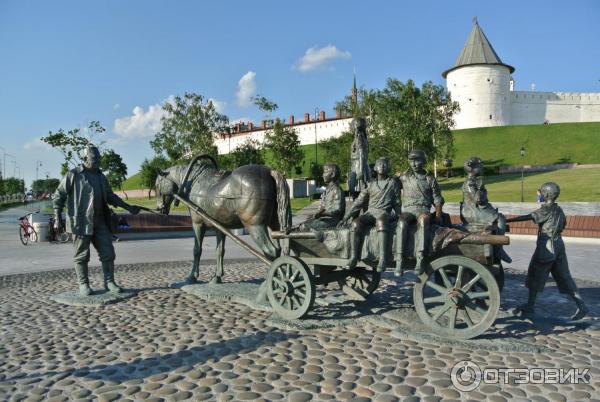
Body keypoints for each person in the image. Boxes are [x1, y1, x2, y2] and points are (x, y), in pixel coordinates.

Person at [53, 144, 141, 296]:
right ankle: (83, 284)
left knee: (108, 252)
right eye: (94, 158)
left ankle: (109, 282)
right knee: (82, 255)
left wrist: (128, 206)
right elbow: (58, 195)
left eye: (99, 158)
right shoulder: (73, 175)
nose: (98, 160)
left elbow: (110, 196)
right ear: (85, 158)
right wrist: (57, 217)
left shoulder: (101, 176)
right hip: (80, 222)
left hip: (100, 221)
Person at [507, 182, 588, 321]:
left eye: (542, 192)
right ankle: (582, 306)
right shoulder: (559, 209)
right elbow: (563, 225)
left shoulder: (546, 209)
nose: (540, 194)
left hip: (547, 245)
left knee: (535, 274)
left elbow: (529, 216)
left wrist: (508, 219)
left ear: (547, 194)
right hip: (558, 245)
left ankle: (530, 306)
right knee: (565, 276)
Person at [340, 157, 401, 272]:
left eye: (385, 164)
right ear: (375, 168)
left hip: (385, 212)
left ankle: (383, 259)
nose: (382, 166)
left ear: (388, 167)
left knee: (381, 221)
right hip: (371, 212)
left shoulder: (392, 183)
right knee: (355, 223)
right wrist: (346, 217)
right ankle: (353, 257)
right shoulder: (371, 184)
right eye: (379, 164)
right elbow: (358, 202)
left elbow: (397, 202)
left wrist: (398, 215)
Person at [395, 150, 444, 276]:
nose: (414, 164)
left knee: (423, 220)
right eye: (411, 161)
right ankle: (399, 259)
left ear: (424, 162)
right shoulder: (404, 177)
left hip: (423, 210)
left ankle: (420, 258)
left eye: (417, 161)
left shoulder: (430, 179)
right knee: (401, 222)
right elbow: (390, 183)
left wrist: (438, 215)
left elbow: (437, 199)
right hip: (409, 210)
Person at [460, 156, 511, 263]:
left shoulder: (473, 181)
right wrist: (482, 191)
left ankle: (498, 247)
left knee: (497, 217)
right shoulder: (471, 182)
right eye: (480, 166)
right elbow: (477, 199)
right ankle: (499, 248)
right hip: (471, 212)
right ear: (473, 168)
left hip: (473, 210)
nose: (482, 168)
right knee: (500, 218)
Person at [301, 163, 345, 230]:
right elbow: (323, 207)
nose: (322, 175)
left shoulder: (337, 190)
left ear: (332, 174)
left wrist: (323, 214)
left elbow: (337, 210)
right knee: (304, 224)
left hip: (334, 221)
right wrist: (317, 214)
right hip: (326, 219)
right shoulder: (328, 190)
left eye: (325, 172)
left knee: (305, 226)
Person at [347, 117, 370, 200]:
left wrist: (360, 171)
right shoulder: (361, 137)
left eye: (353, 125)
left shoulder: (359, 137)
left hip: (358, 167)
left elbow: (361, 154)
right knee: (359, 195)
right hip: (358, 165)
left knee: (358, 194)